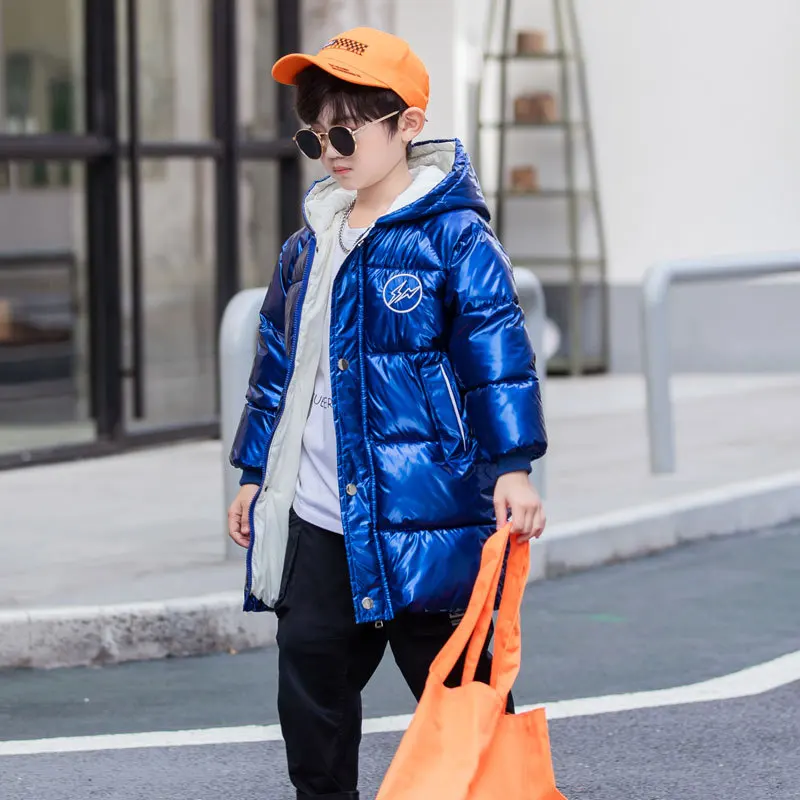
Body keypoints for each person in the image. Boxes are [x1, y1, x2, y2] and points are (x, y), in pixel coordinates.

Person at [227, 27, 548, 800]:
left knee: (462, 692)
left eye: (346, 132)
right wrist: (253, 473)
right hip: (318, 515)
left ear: (408, 125)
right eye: (315, 136)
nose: (331, 151)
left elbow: (497, 357)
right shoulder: (308, 244)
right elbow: (276, 368)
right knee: (310, 693)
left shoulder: (454, 236)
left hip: (425, 510)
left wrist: (513, 468)